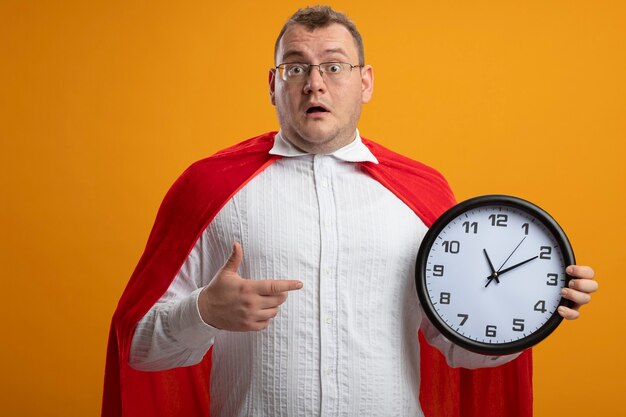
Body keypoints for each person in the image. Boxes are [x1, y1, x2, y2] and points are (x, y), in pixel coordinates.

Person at [102, 5, 598, 417]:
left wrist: (532, 310)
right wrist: (203, 312)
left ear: (365, 82)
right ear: (273, 84)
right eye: (296, 67)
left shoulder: (420, 193)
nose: (315, 83)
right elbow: (138, 350)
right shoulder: (208, 188)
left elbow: (458, 347)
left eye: (334, 66)